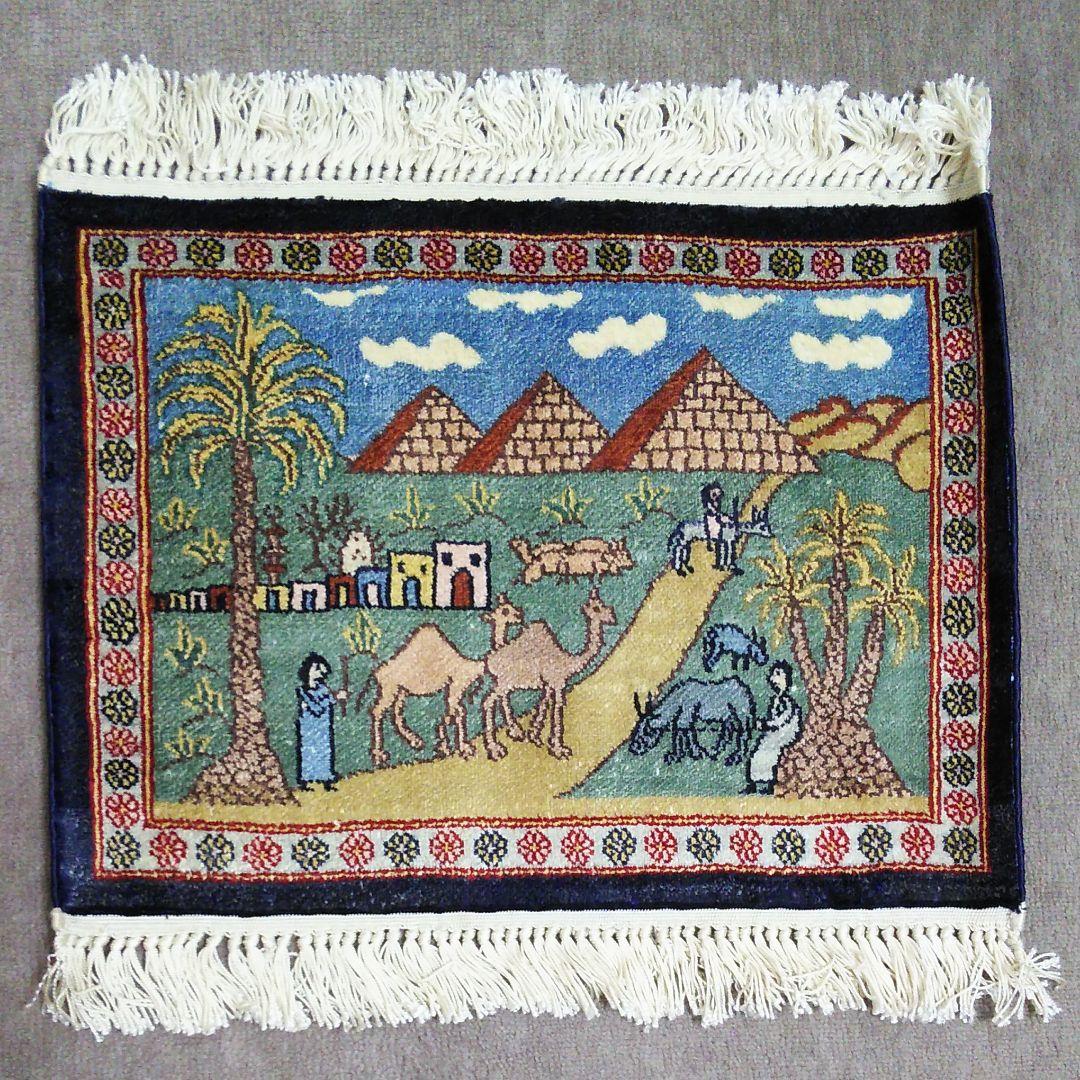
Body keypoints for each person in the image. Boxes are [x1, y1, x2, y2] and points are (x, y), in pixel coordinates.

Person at [745, 660, 803, 795]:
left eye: (778, 674)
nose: (774, 679)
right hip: (776, 733)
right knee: (759, 751)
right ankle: (755, 783)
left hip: (785, 732)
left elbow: (783, 720)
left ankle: (769, 784)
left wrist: (766, 725)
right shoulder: (775, 700)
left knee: (768, 751)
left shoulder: (786, 702)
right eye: (773, 674)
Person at [295, 653, 347, 791]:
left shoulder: (323, 688)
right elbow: (317, 708)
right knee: (308, 753)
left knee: (324, 752)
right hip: (309, 730)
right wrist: (335, 698)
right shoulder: (303, 691)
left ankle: (326, 780)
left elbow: (329, 699)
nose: (319, 673)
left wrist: (338, 697)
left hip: (323, 728)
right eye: (316, 669)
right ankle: (306, 781)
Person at [701, 481, 742, 573]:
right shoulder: (710, 506)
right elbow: (715, 516)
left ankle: (727, 563)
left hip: (719, 525)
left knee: (727, 541)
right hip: (714, 525)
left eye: (718, 495)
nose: (717, 498)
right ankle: (723, 563)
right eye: (714, 495)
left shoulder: (716, 504)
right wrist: (726, 518)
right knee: (723, 542)